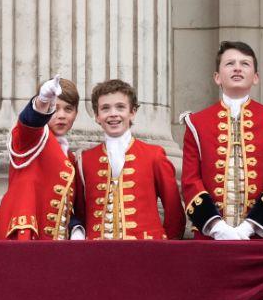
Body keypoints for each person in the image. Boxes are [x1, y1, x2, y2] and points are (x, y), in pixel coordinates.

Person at [180, 41, 263, 240]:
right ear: (217, 77)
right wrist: (217, 227)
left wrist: (249, 227)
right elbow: (190, 181)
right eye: (230, 63)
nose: (238, 68)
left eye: (245, 63)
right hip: (211, 237)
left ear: (256, 77)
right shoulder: (195, 123)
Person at [78, 79, 185, 239]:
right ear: (97, 116)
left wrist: (165, 252)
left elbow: (174, 213)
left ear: (132, 112)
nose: (113, 113)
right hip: (97, 254)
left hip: (145, 253)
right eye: (105, 108)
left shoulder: (153, 155)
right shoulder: (85, 159)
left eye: (120, 107)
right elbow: (81, 212)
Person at [0, 75, 86, 240]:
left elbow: (66, 207)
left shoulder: (71, 158)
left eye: (68, 109)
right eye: (55, 108)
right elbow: (29, 123)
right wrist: (42, 101)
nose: (61, 115)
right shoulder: (32, 138)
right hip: (24, 237)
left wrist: (76, 227)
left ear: (76, 113)